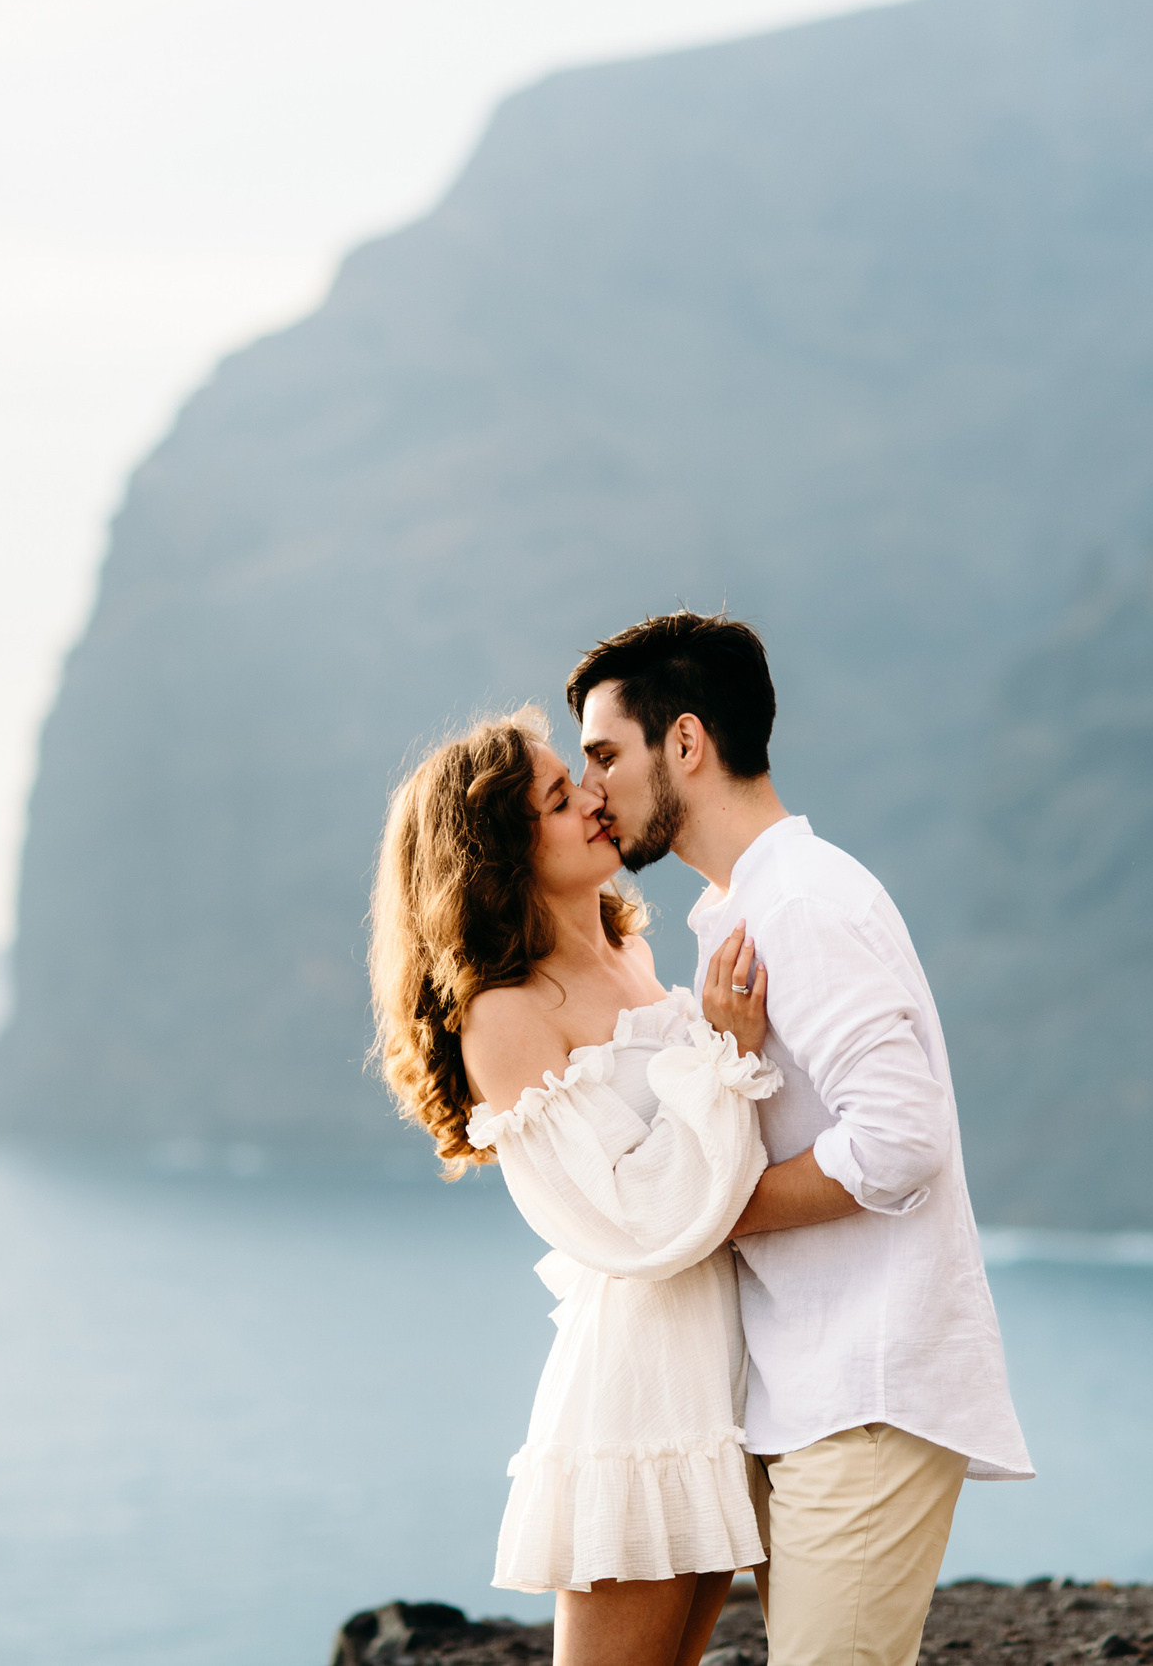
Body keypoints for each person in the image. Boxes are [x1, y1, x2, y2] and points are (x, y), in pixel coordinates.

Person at [569, 611, 1033, 1666]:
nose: (590, 790)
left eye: (604, 755)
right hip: (804, 1390)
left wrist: (715, 1214)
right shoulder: (743, 909)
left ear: (686, 742)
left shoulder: (806, 905)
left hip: (867, 1391)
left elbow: (902, 1137)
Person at [368, 705, 784, 1666]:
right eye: (560, 797)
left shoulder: (632, 954)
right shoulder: (505, 1013)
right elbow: (632, 1222)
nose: (596, 798)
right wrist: (724, 1055)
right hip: (640, 1396)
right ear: (501, 853)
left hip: (714, 1376)